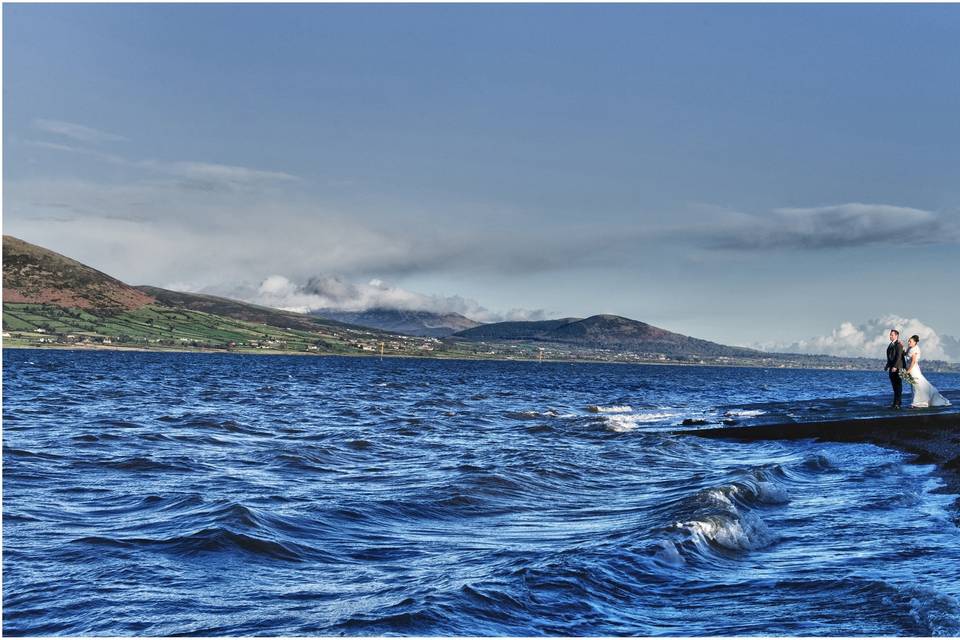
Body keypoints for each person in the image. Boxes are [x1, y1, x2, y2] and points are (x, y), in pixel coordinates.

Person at [903, 335, 951, 408]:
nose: (909, 342)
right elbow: (905, 354)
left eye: (910, 341)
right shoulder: (910, 348)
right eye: (908, 341)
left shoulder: (915, 349)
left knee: (917, 385)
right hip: (910, 369)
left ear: (915, 342)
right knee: (915, 385)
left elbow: (913, 361)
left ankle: (919, 402)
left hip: (913, 369)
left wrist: (908, 371)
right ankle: (918, 401)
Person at [884, 329, 906, 409]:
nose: (890, 336)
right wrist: (887, 366)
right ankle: (895, 402)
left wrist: (895, 366)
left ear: (896, 336)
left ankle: (898, 403)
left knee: (898, 386)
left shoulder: (899, 344)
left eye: (892, 335)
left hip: (898, 368)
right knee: (894, 386)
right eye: (890, 335)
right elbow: (890, 357)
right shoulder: (890, 345)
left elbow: (899, 356)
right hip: (891, 368)